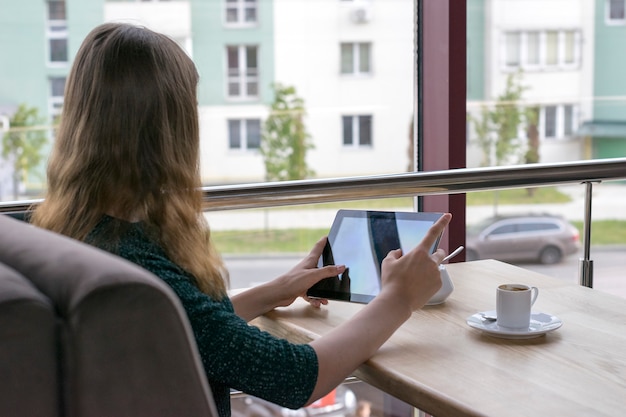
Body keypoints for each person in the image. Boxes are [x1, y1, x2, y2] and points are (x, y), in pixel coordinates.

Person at [31, 23, 451, 417]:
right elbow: (296, 377)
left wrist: (271, 292)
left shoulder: (73, 230)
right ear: (167, 130)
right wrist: (398, 299)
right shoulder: (137, 260)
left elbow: (181, 330)